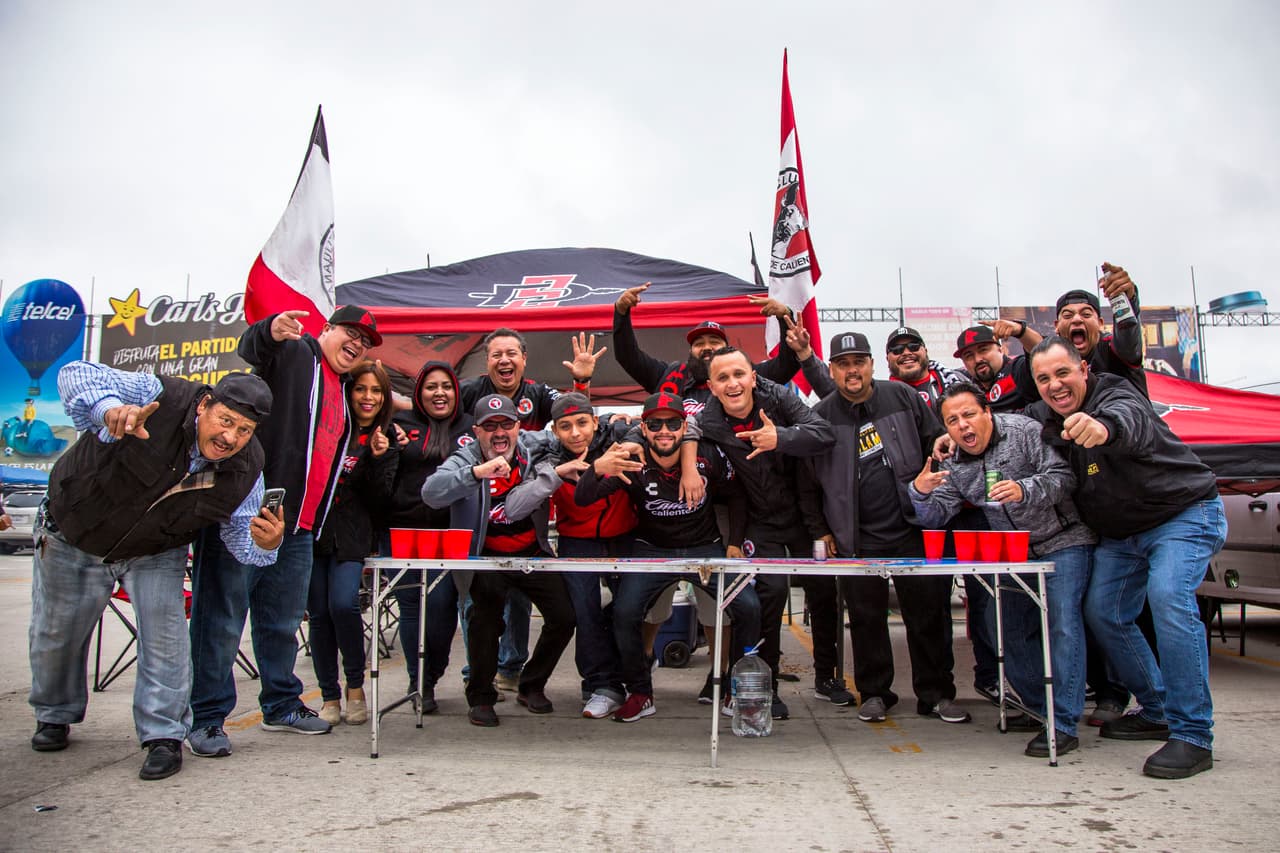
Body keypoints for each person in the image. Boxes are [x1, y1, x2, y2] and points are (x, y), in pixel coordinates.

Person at [28, 363, 282, 781]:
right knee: (57, 635)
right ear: (204, 405)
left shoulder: (248, 470)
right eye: (226, 421)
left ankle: (163, 735)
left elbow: (240, 540)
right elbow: (74, 373)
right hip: (74, 530)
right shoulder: (160, 393)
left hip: (155, 549)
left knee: (167, 643)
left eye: (244, 431)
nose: (231, 438)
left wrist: (265, 543)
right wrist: (108, 410)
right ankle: (55, 714)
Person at [1026, 336, 1226, 779]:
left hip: (1183, 515)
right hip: (1122, 536)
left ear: (1083, 369)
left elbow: (1128, 420)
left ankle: (1194, 734)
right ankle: (1157, 709)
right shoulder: (1044, 417)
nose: (1055, 386)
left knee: (1169, 599)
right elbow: (1004, 427)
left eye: (1062, 373)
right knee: (1104, 613)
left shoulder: (1116, 394)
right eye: (1043, 379)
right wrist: (952, 440)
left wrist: (1103, 429)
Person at [187, 304, 381, 757]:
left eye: (366, 341)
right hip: (246, 517)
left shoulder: (343, 389)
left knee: (282, 622)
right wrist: (269, 332)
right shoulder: (297, 355)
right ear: (327, 329)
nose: (357, 343)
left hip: (298, 528)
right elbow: (257, 350)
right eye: (350, 332)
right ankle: (208, 718)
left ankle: (280, 704)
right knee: (221, 618)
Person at [910, 382, 1097, 757]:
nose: (963, 426)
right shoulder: (955, 462)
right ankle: (1037, 707)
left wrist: (1024, 489)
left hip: (1063, 541)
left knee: (1062, 624)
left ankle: (1062, 723)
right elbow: (934, 515)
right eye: (952, 421)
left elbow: (1064, 477)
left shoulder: (1025, 431)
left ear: (987, 413)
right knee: (1005, 630)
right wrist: (918, 489)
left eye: (968, 415)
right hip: (1012, 552)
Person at [798, 331, 967, 725]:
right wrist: (820, 530)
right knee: (865, 618)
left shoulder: (902, 397)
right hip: (854, 539)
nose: (852, 370)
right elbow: (805, 485)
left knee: (928, 617)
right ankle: (874, 693)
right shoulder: (820, 416)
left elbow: (934, 445)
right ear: (831, 370)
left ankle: (937, 695)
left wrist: (934, 496)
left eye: (859, 361)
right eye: (842, 364)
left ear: (872, 364)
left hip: (911, 530)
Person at [573, 392, 761, 723]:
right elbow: (583, 496)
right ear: (643, 429)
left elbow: (737, 495)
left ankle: (737, 687)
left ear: (684, 427)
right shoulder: (631, 460)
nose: (664, 431)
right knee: (624, 612)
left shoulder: (705, 456)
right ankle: (641, 692)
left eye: (672, 423)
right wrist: (597, 468)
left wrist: (734, 543)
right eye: (655, 424)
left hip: (705, 547)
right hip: (652, 549)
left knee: (749, 606)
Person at [697, 347, 846, 719]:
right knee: (771, 593)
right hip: (758, 520)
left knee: (823, 590)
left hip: (805, 515)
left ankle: (828, 677)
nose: (733, 383)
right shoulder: (709, 421)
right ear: (711, 387)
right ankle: (766, 686)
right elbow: (667, 431)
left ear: (752, 377)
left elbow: (824, 433)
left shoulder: (777, 397)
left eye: (739, 374)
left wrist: (780, 437)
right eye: (723, 378)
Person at [458, 328, 606, 689]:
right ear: (486, 361)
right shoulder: (469, 391)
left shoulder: (539, 393)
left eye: (512, 353)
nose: (504, 360)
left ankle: (510, 669)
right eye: (496, 354)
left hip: (524, 507)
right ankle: (476, 672)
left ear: (524, 359)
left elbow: (575, 415)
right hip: (476, 509)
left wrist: (582, 381)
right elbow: (433, 404)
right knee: (476, 601)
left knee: (521, 597)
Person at [422, 394, 577, 727]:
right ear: (477, 431)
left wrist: (619, 424)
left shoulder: (530, 446)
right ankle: (480, 696)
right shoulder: (465, 457)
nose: (499, 433)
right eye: (490, 427)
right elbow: (431, 492)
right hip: (486, 557)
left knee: (565, 616)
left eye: (506, 424)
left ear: (518, 427)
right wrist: (477, 472)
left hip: (531, 554)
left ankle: (531, 684)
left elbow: (571, 427)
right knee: (484, 621)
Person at [526, 392, 638, 719]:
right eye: (565, 426)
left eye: (581, 423)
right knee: (584, 613)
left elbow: (639, 430)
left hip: (624, 536)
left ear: (594, 421)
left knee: (630, 609)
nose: (575, 433)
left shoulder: (615, 436)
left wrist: (626, 426)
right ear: (554, 430)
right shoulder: (548, 457)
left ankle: (632, 671)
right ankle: (600, 684)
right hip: (577, 540)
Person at [309, 360, 397, 727]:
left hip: (353, 538)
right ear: (348, 391)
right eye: (361, 388)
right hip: (312, 534)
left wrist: (377, 460)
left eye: (376, 390)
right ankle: (329, 694)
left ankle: (355, 688)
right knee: (318, 614)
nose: (368, 397)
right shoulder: (330, 429)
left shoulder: (386, 437)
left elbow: (381, 500)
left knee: (343, 605)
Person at [386, 360, 473, 713]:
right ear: (419, 393)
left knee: (441, 610)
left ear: (456, 391)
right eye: (431, 387)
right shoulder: (400, 426)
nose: (440, 393)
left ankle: (432, 673)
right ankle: (417, 681)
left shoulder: (470, 427)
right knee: (411, 608)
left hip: (450, 534)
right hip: (402, 531)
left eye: (446, 386)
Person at [611, 283, 819, 416]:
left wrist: (784, 317)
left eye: (714, 342)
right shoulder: (669, 376)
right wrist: (621, 313)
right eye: (699, 344)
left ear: (727, 349)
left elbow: (787, 364)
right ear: (691, 350)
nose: (707, 347)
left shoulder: (747, 377)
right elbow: (628, 357)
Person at [1007, 262, 1147, 398]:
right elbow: (1039, 348)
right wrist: (1020, 331)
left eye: (1086, 314)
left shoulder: (1112, 348)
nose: (1076, 319)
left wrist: (1129, 299)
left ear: (1100, 323)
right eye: (1068, 315)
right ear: (1057, 326)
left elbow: (1128, 336)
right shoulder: (1054, 359)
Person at [953, 325, 1031, 413]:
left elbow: (1039, 353)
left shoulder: (1018, 369)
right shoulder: (964, 383)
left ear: (1000, 350)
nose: (977, 359)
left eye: (983, 350)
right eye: (969, 356)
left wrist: (1022, 331)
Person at [883, 326, 966, 407]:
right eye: (897, 349)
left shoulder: (960, 380)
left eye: (913, 346)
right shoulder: (882, 397)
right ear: (887, 359)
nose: (906, 353)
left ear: (925, 351)